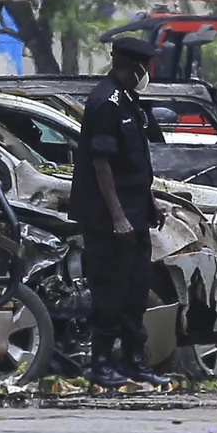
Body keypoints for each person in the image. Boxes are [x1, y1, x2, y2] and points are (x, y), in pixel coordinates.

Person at [70, 37, 172, 388]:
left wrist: (149, 203)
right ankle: (100, 363)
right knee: (109, 292)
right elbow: (101, 164)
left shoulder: (130, 100)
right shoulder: (105, 102)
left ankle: (133, 360)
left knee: (135, 291)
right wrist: (117, 216)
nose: (149, 73)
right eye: (148, 66)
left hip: (135, 213)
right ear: (135, 65)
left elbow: (134, 164)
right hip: (109, 219)